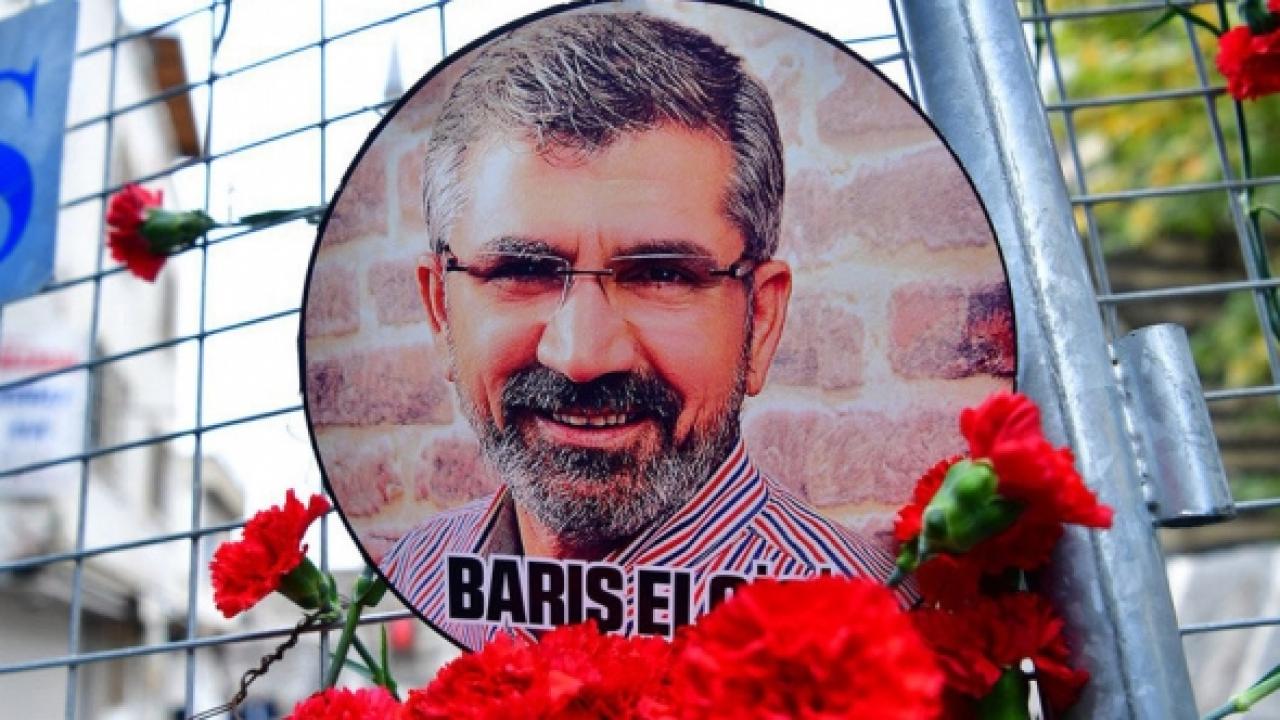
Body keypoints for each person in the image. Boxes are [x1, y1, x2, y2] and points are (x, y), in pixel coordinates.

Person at [379, 10, 905, 650]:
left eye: (661, 274)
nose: (581, 355)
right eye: (522, 271)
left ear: (760, 321)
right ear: (441, 312)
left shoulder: (876, 634)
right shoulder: (411, 576)